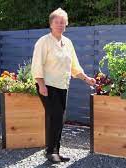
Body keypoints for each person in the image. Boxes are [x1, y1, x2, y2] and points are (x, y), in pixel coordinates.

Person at [31, 8, 96, 164]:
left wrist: (86, 78)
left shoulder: (68, 43)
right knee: (56, 117)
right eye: (57, 22)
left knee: (60, 119)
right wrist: (41, 85)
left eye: (63, 22)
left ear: (66, 24)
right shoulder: (43, 42)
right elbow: (37, 65)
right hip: (47, 85)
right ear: (51, 24)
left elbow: (74, 65)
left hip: (63, 86)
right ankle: (50, 152)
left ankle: (56, 151)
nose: (60, 25)